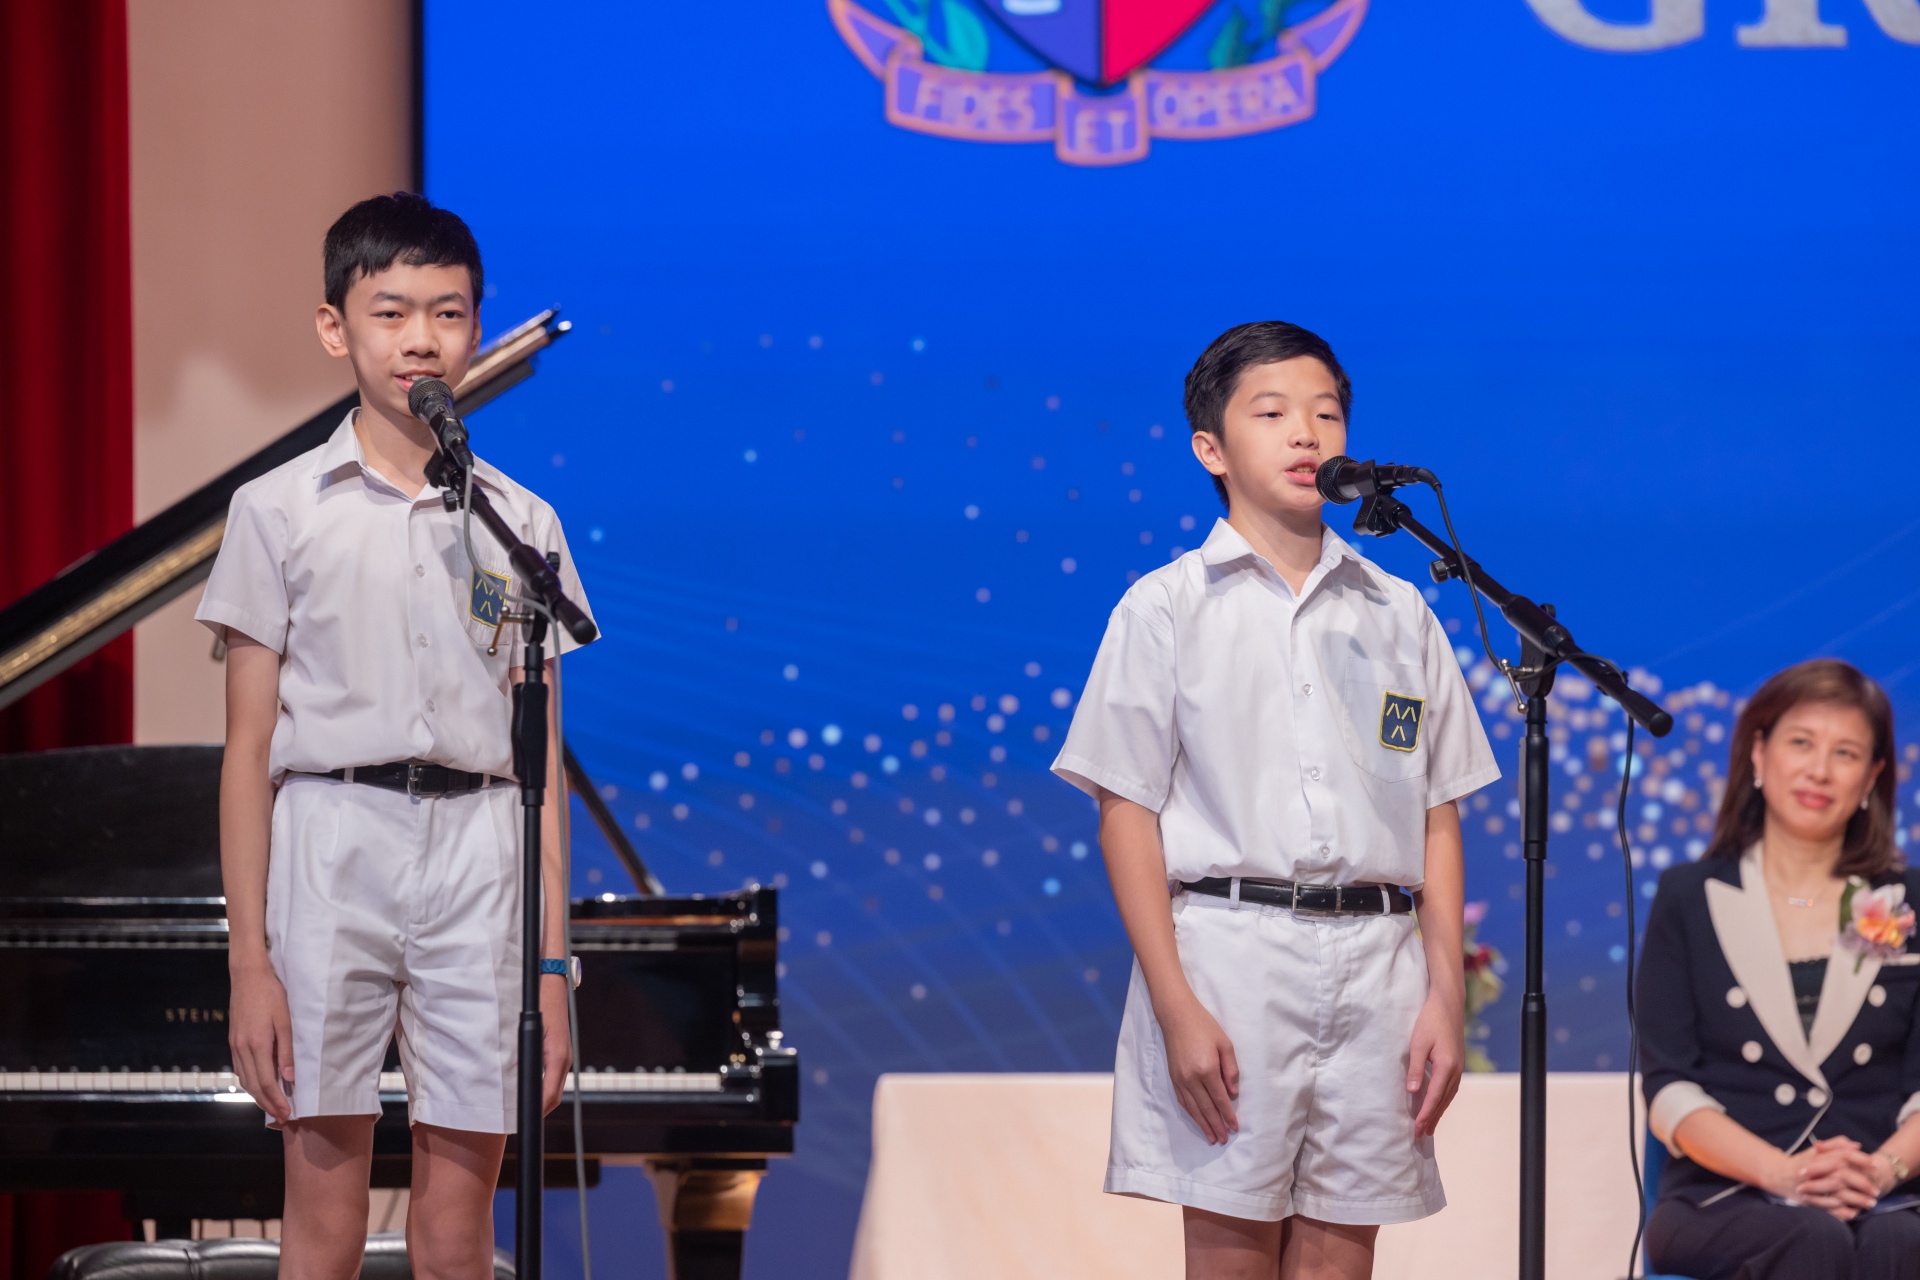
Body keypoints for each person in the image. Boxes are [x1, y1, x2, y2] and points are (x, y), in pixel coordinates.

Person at [197, 193, 595, 1280]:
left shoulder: (522, 522)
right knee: (323, 1218)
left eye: (448, 313)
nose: (421, 338)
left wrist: (553, 965)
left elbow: (540, 765)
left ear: (476, 328)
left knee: (459, 1229)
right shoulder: (279, 510)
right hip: (333, 842)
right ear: (336, 329)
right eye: (392, 312)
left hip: (480, 854)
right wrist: (249, 962)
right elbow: (247, 752)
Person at [1051, 321, 1498, 1280]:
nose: (1306, 434)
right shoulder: (1166, 608)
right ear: (1210, 448)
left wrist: (1444, 995)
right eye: (1272, 413)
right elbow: (1125, 813)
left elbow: (1437, 813)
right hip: (1231, 962)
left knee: (1342, 1262)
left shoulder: (1398, 610)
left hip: (1379, 970)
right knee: (1232, 1259)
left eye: (1326, 414)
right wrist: (1175, 1005)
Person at [1639, 659, 1920, 1280]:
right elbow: (1670, 1088)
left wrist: (1880, 1171)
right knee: (1811, 1237)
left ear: (1872, 776)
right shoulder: (1689, 896)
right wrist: (1784, 1173)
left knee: (1899, 1242)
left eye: (1846, 753)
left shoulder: (1906, 901)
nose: (1820, 770)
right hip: (1725, 1193)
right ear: (1759, 754)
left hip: (1888, 1189)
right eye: (1801, 743)